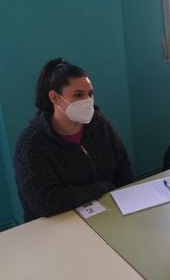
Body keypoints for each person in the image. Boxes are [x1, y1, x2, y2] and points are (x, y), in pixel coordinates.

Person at [14, 58, 135, 222]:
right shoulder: (31, 143)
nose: (87, 100)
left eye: (90, 94)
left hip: (108, 214)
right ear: (55, 98)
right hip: (55, 225)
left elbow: (124, 168)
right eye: (78, 94)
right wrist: (103, 187)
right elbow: (44, 202)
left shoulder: (99, 124)